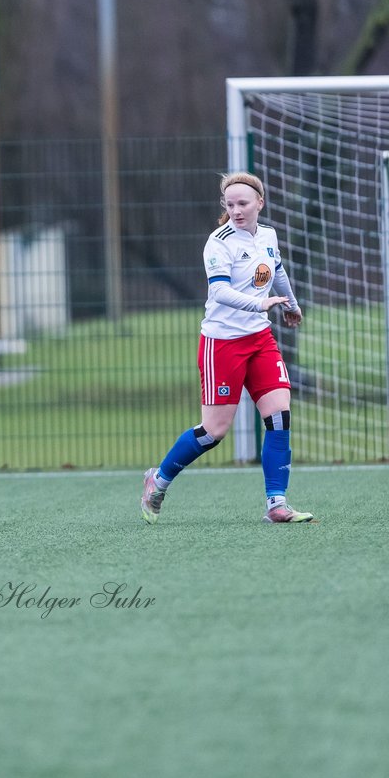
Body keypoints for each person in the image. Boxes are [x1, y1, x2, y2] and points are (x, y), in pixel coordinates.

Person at [140, 171, 313, 525]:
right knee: (214, 432)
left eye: (243, 203)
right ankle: (157, 480)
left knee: (279, 415)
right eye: (230, 204)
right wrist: (259, 305)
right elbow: (218, 291)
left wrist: (291, 305)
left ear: (259, 203)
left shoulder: (268, 235)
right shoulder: (218, 242)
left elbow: (276, 272)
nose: (236, 210)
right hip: (222, 343)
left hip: (260, 340)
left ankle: (276, 503)